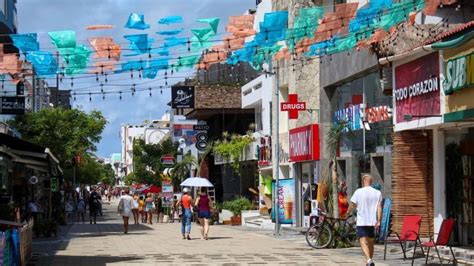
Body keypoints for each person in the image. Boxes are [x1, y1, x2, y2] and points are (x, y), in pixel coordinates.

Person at [347, 174, 382, 266]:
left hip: (362, 221)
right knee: (370, 241)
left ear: (363, 181)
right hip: (372, 221)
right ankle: (369, 260)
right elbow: (379, 208)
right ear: (371, 182)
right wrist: (378, 221)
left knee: (363, 241)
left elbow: (353, 204)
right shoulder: (377, 193)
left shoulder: (358, 191)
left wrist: (348, 212)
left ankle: (369, 260)